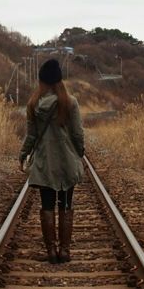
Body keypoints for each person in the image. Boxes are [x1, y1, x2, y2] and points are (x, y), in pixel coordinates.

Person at [19, 58, 86, 263]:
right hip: (66, 160)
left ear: (41, 81)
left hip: (44, 161)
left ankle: (51, 251)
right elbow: (77, 134)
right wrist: (80, 153)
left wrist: (23, 154)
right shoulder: (70, 102)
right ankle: (64, 250)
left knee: (47, 205)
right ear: (59, 80)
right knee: (66, 203)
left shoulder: (33, 104)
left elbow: (31, 136)